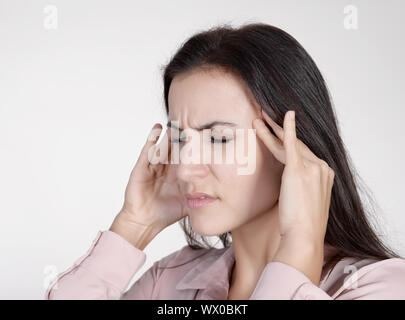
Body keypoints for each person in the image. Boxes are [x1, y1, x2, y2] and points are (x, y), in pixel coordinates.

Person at [45, 22, 405, 300]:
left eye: (218, 138)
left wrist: (300, 245)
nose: (185, 169)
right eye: (180, 139)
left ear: (295, 146)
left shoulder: (378, 287)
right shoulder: (170, 281)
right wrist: (133, 225)